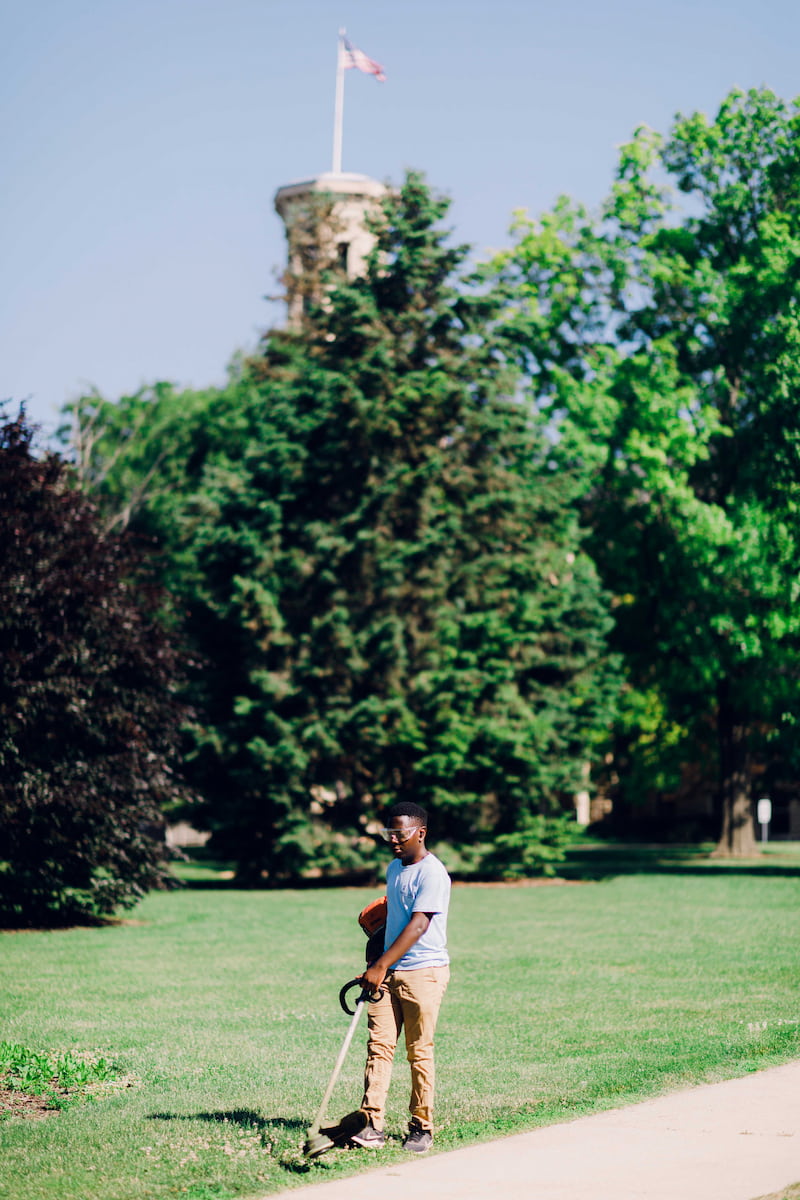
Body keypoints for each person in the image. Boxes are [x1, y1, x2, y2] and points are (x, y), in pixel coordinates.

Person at [351, 801, 451, 1154]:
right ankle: (371, 1123)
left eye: (400, 833)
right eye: (388, 833)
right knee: (379, 1047)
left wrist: (380, 967)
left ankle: (421, 1126)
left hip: (423, 972)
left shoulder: (433, 873)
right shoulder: (395, 868)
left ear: (420, 833)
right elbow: (395, 918)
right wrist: (375, 957)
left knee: (418, 1051)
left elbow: (419, 925)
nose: (393, 839)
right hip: (388, 970)